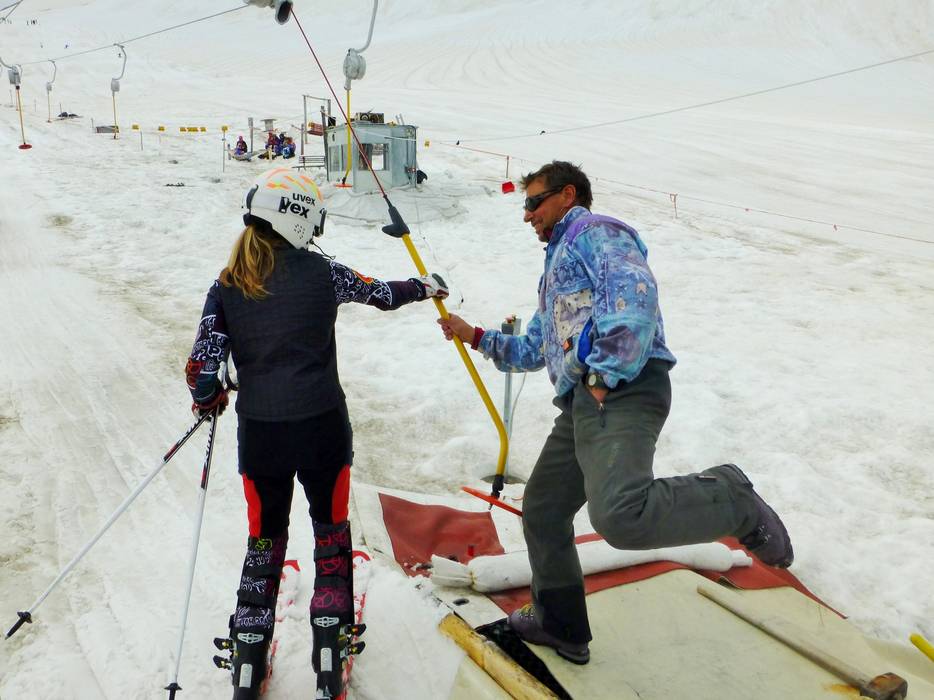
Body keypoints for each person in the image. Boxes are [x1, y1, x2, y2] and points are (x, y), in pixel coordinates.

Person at [437, 161, 793, 665]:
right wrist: (474, 336)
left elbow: (634, 301)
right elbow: (535, 347)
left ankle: (732, 498)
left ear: (567, 195)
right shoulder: (558, 266)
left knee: (621, 517)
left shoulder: (596, 232)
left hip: (622, 387)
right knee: (543, 509)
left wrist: (603, 377)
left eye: (533, 202)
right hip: (583, 401)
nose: (527, 214)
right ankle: (560, 622)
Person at [185, 167, 449, 697]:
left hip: (262, 436)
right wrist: (426, 286)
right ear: (300, 219)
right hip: (323, 427)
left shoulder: (227, 283)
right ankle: (330, 651)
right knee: (330, 533)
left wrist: (210, 397)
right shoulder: (323, 273)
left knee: (265, 538)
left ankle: (248, 654)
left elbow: (201, 369)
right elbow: (381, 293)